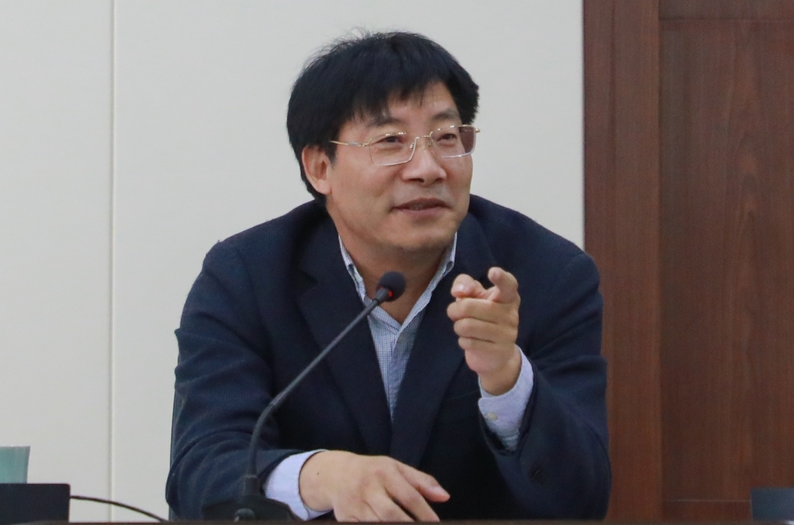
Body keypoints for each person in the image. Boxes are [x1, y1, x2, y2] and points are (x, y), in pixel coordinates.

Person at [167, 31, 610, 521]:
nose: (427, 168)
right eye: (391, 141)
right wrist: (322, 477)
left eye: (446, 137)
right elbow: (199, 475)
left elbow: (582, 500)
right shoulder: (247, 276)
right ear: (320, 167)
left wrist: (507, 378)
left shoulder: (547, 275)